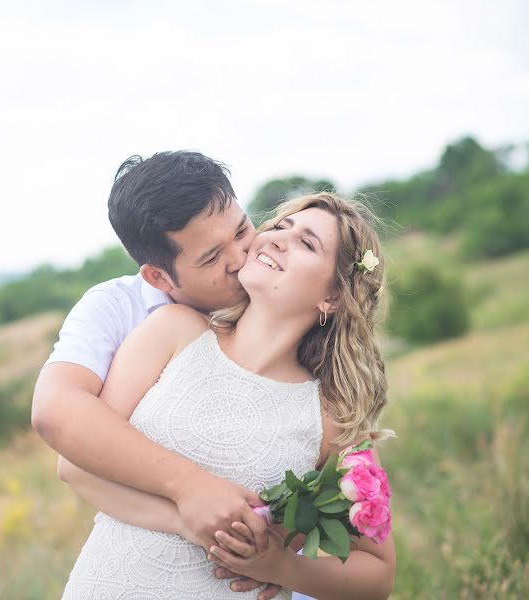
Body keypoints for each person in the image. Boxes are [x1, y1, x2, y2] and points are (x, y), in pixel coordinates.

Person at [59, 192, 396, 599]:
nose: (276, 238)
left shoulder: (331, 415)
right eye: (280, 226)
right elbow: (76, 468)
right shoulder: (173, 331)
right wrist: (186, 517)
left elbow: (377, 577)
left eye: (307, 243)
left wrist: (283, 567)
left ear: (333, 297)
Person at [32, 151, 288, 597]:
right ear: (159, 278)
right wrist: (188, 494)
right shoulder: (116, 308)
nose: (240, 257)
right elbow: (58, 415)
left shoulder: (282, 291)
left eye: (242, 230)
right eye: (211, 257)